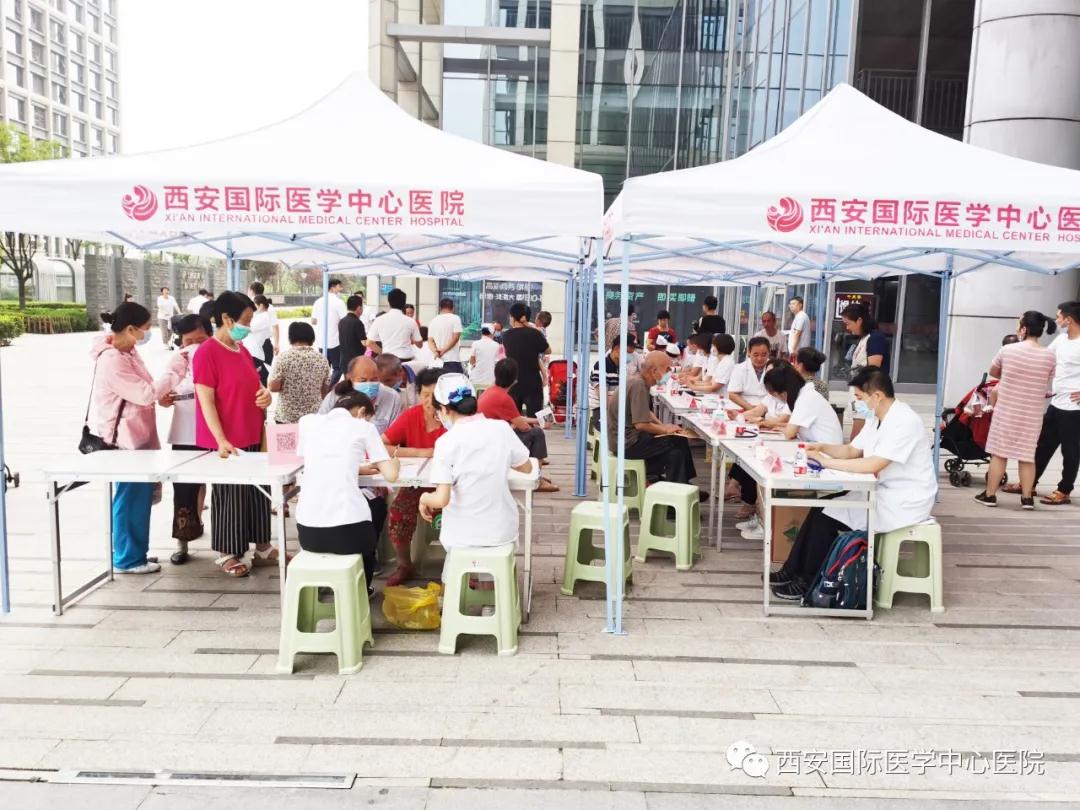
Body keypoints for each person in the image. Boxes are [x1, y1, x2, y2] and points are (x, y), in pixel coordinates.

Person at [771, 368, 934, 601]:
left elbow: (874, 464)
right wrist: (822, 448)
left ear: (876, 396)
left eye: (859, 397)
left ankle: (807, 582)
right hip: (882, 490)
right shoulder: (876, 418)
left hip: (903, 500)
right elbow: (851, 450)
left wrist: (827, 462)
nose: (856, 403)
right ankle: (792, 570)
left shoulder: (904, 421)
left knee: (827, 517)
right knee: (820, 506)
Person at [92, 303, 180, 574]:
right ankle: (127, 559)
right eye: (145, 327)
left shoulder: (127, 352)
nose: (147, 332)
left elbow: (146, 389)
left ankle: (135, 552)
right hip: (125, 441)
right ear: (130, 329)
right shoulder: (112, 359)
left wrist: (159, 396)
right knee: (130, 498)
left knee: (139, 498)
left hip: (139, 436)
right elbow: (143, 393)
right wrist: (175, 370)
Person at [193, 292, 276, 578]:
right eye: (246, 320)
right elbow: (205, 400)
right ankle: (228, 552)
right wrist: (221, 439)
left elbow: (256, 386)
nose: (248, 327)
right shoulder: (206, 352)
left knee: (258, 493)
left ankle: (262, 546)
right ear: (226, 319)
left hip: (251, 430)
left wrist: (265, 395)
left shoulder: (241, 350)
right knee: (231, 496)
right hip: (227, 438)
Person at [419, 375, 534, 565]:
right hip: (501, 533)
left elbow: (441, 499)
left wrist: (424, 498)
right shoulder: (501, 429)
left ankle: (458, 583)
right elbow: (526, 466)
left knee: (454, 569)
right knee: (499, 568)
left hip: (460, 537)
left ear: (444, 409)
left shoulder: (446, 442)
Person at [296, 391, 400, 590]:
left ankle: (327, 585)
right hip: (348, 533)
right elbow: (391, 475)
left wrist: (354, 467)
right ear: (361, 412)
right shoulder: (364, 427)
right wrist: (394, 462)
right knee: (369, 540)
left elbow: (316, 461)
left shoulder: (307, 422)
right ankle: (362, 591)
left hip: (308, 533)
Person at [975, 311, 1058, 509]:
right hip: (1032, 414)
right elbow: (1047, 378)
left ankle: (990, 495)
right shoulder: (1049, 355)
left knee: (999, 454)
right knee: (1027, 456)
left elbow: (994, 372)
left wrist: (1012, 374)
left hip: (1006, 411)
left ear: (1024, 328)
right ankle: (1027, 498)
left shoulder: (1008, 350)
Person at [1001, 301, 1080, 506]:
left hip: (1074, 409)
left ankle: (1064, 490)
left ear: (1069, 320)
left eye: (1059, 316)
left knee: (1070, 451)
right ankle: (1029, 484)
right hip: (1056, 403)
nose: (1056, 320)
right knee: (1042, 445)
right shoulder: (1061, 340)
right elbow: (1043, 358)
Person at [381, 368, 448, 585]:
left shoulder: (453, 418)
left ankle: (462, 563)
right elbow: (382, 445)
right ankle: (404, 565)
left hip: (449, 486)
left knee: (461, 513)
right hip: (415, 485)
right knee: (398, 513)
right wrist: (420, 453)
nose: (429, 401)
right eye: (425, 394)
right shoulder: (411, 415)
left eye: (435, 395)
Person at [156, 314, 212, 565]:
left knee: (221, 483)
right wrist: (164, 399)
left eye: (200, 340)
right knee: (184, 486)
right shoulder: (177, 359)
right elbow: (163, 391)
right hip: (185, 430)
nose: (194, 346)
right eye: (188, 341)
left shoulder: (218, 355)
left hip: (216, 430)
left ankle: (227, 543)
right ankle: (183, 539)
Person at [608, 350, 697, 486]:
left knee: (675, 454)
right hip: (628, 443)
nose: (669, 373)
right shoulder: (639, 385)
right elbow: (641, 424)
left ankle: (682, 485)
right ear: (654, 371)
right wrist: (665, 430)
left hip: (625, 439)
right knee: (678, 441)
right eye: (667, 369)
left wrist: (663, 426)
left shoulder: (637, 381)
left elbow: (646, 412)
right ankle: (682, 485)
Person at [479, 358, 559, 492]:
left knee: (532, 430)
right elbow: (524, 427)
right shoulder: (504, 399)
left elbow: (516, 418)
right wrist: (540, 424)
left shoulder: (490, 391)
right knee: (537, 434)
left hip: (486, 441)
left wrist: (536, 421)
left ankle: (534, 473)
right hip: (496, 444)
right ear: (515, 379)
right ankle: (536, 479)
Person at [841, 303, 889, 439]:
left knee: (859, 434)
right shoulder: (864, 338)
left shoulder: (875, 338)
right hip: (860, 392)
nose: (847, 328)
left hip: (867, 393)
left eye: (848, 323)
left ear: (859, 320)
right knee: (860, 431)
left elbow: (874, 369)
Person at [320, 355, 403, 434]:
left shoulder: (392, 398)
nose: (369, 385)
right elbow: (321, 425)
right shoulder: (336, 396)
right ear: (350, 378)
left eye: (374, 380)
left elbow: (394, 434)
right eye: (363, 380)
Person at [269, 322, 331, 425]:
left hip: (286, 417)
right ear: (312, 338)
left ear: (290, 338)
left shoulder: (284, 358)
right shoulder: (321, 359)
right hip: (313, 417)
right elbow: (325, 390)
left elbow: (273, 387)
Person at [502, 302, 550, 416]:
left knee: (513, 418)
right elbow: (548, 350)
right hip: (533, 382)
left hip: (513, 382)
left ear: (513, 318)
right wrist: (531, 328)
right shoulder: (535, 334)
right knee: (536, 418)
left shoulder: (506, 336)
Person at [367, 287, 422, 362]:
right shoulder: (411, 321)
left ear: (389, 302)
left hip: (388, 360)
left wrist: (382, 352)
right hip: (405, 361)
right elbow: (420, 344)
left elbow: (369, 343)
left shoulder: (379, 320)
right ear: (404, 304)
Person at [311, 277, 347, 386]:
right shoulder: (339, 302)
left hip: (321, 342)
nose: (341, 289)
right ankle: (329, 387)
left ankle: (323, 388)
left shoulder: (318, 302)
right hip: (335, 341)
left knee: (324, 369)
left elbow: (313, 321)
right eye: (339, 287)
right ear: (332, 288)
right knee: (338, 368)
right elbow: (344, 321)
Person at [590, 336, 633, 417]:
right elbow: (604, 400)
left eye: (631, 354)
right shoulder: (601, 366)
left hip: (615, 410)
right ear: (616, 349)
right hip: (600, 412)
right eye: (627, 352)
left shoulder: (620, 368)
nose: (629, 356)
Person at [727, 336, 771, 411]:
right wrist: (752, 409)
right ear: (749, 353)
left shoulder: (775, 368)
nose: (759, 358)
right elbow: (732, 394)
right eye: (756, 355)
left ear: (769, 353)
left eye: (764, 355)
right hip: (745, 408)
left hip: (769, 409)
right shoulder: (739, 368)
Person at [427, 298, 465, 373]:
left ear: (440, 308)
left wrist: (436, 352)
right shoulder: (455, 318)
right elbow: (456, 338)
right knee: (455, 380)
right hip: (452, 359)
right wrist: (443, 350)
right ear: (453, 308)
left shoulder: (433, 321)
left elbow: (430, 341)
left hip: (437, 361)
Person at [243, 295, 274, 384]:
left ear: (261, 305)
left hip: (256, 353)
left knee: (259, 381)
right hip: (255, 352)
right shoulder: (260, 316)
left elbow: (249, 328)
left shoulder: (263, 316)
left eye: (254, 304)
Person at [248, 282, 279, 360]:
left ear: (251, 291)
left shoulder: (247, 304)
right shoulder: (269, 307)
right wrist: (276, 344)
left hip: (250, 346)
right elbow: (275, 327)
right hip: (265, 344)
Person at [338, 294, 368, 374]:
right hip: (355, 362)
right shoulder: (357, 322)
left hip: (344, 360)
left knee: (347, 381)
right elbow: (364, 342)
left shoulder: (342, 321)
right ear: (359, 308)